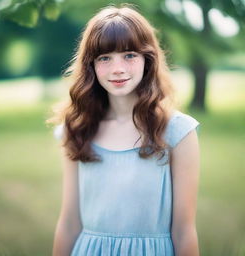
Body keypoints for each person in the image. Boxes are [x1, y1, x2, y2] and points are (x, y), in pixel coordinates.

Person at [49, 4, 200, 256]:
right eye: (105, 58)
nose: (117, 68)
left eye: (129, 55)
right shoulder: (76, 129)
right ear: (91, 65)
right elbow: (69, 223)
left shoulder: (178, 132)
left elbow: (184, 232)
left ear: (147, 60)